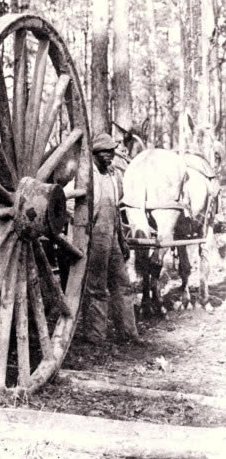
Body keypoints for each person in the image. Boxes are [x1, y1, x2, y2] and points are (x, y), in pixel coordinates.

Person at [82, 132, 142, 344]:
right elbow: (70, 203)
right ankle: (95, 336)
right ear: (95, 153)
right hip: (94, 236)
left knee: (122, 283)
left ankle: (128, 333)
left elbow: (116, 210)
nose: (110, 156)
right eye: (105, 153)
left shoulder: (112, 175)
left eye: (111, 152)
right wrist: (84, 231)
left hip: (113, 237)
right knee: (96, 287)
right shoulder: (86, 175)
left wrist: (122, 240)